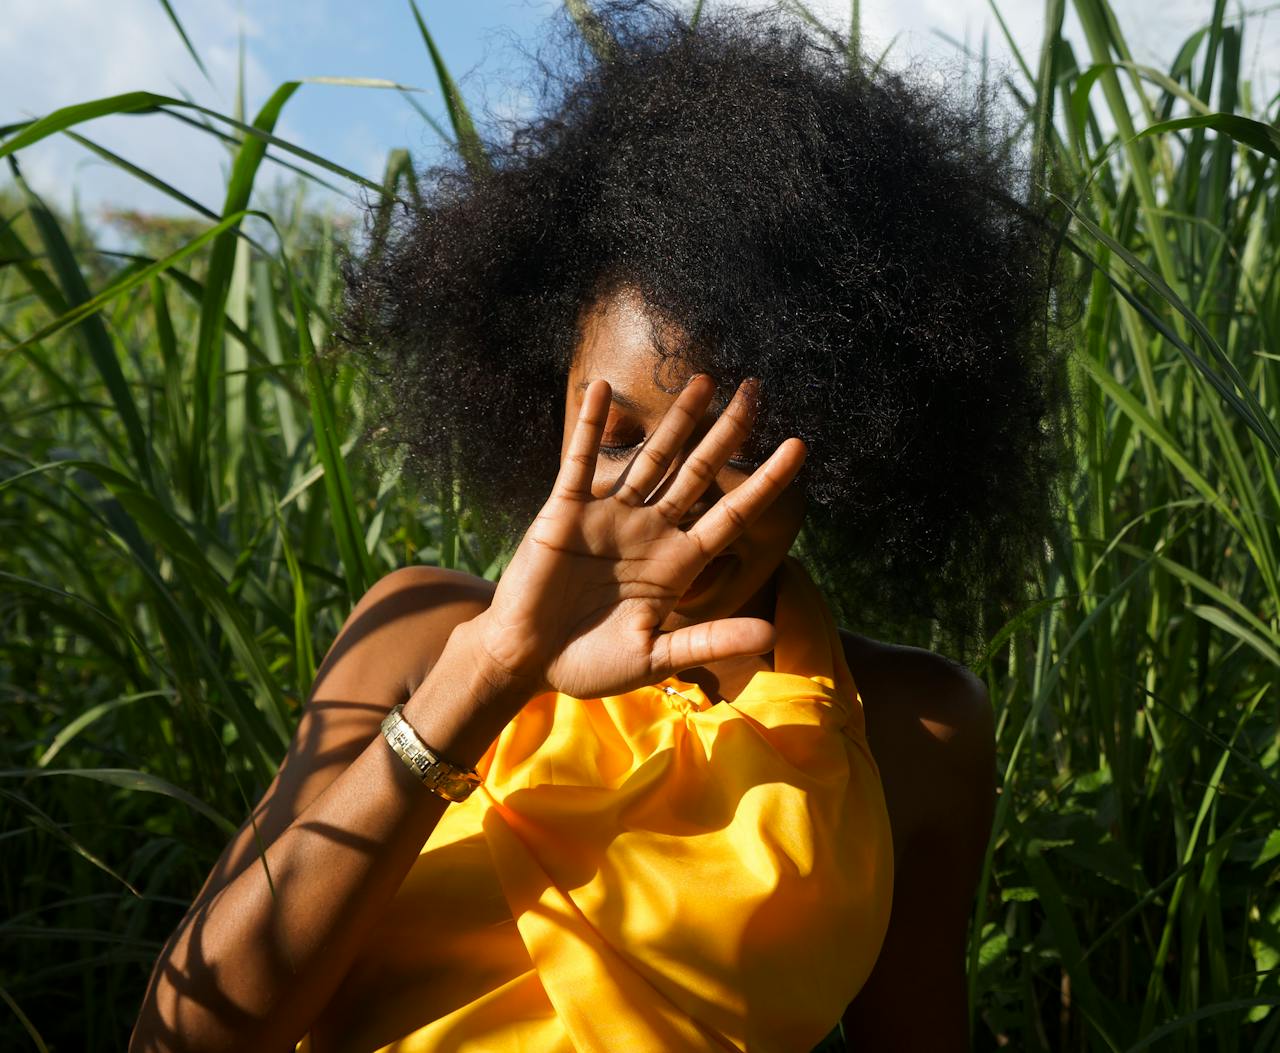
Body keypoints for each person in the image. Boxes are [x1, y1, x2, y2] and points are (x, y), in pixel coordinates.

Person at [132, 3, 1069, 1050]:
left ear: (853, 439)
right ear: (548, 399)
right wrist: (489, 673)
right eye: (620, 436)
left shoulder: (908, 728)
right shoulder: (414, 638)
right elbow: (182, 1037)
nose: (665, 502)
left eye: (735, 452)